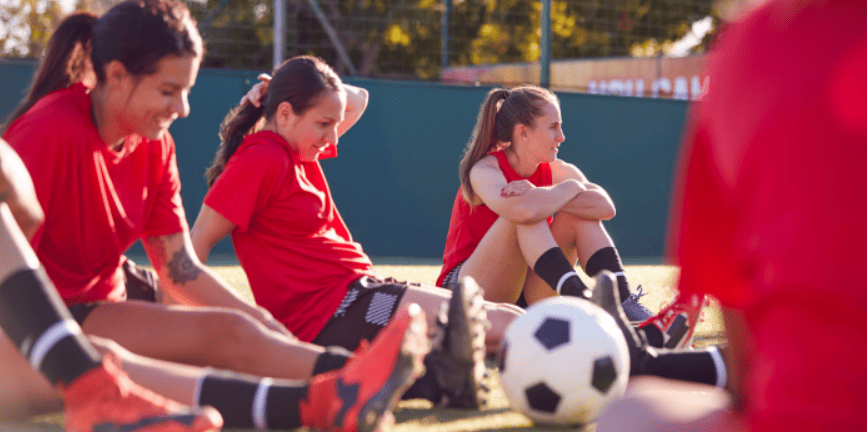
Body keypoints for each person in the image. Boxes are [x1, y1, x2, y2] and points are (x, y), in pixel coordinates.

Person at [0, 2, 432, 430]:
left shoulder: (155, 144)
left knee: (235, 330)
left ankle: (381, 380)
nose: (183, 107)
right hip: (44, 320)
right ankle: (330, 396)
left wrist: (260, 320)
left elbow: (180, 268)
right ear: (115, 76)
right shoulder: (49, 132)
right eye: (169, 91)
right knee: (140, 358)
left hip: (103, 299)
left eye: (187, 90)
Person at [596, 0, 867, 431]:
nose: (559, 137)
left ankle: (642, 351)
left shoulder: (752, 44)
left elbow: (744, 370)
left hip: (793, 412)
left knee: (627, 415)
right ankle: (641, 346)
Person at [191, 55, 520, 408]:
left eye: (334, 122)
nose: (333, 135)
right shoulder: (260, 159)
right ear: (284, 114)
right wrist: (196, 333)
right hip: (334, 313)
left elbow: (359, 98)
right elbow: (196, 245)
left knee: (505, 325)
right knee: (502, 325)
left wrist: (278, 88)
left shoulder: (297, 148)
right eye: (323, 123)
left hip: (359, 294)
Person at [437, 84, 706, 349]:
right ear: (523, 133)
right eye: (553, 126)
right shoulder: (485, 169)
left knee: (577, 215)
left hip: (526, 293)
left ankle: (629, 308)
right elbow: (525, 211)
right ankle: (583, 299)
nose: (562, 136)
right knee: (521, 214)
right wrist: (567, 189)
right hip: (467, 294)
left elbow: (604, 207)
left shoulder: (556, 170)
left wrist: (560, 190)